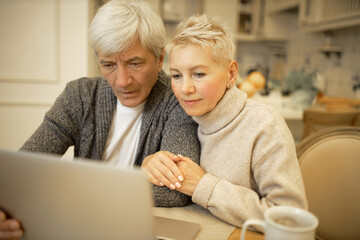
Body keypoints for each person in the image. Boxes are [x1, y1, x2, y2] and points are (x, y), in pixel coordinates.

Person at [0, 1, 200, 239]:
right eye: (108, 65)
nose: (122, 81)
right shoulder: (80, 96)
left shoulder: (179, 98)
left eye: (135, 63)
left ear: (159, 59)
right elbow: (25, 168)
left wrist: (68, 191)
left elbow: (174, 192)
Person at [142, 14, 308, 228]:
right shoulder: (185, 114)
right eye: (176, 75)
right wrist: (149, 164)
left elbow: (290, 220)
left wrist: (203, 186)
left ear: (231, 74)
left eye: (199, 74)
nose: (185, 89)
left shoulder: (264, 124)